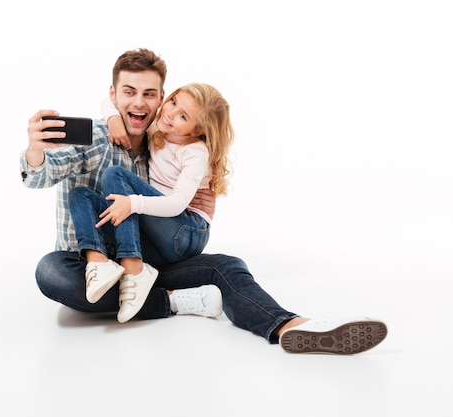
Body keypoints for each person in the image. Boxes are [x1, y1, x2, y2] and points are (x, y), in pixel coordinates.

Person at [20, 48, 388, 354]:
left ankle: (290, 326)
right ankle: (178, 302)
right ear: (114, 95)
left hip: (147, 260)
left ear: (161, 100)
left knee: (227, 265)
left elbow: (181, 159)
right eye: (128, 92)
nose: (140, 102)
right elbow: (41, 174)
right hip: (91, 265)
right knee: (50, 271)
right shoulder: (97, 136)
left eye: (150, 94)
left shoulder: (162, 133)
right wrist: (37, 149)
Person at [68, 83, 234, 323]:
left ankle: (133, 269)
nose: (170, 113)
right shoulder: (159, 126)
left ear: (198, 130)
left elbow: (177, 204)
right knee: (79, 195)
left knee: (115, 175)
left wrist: (132, 203)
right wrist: (114, 120)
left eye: (183, 116)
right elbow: (108, 101)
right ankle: (100, 262)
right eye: (174, 102)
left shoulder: (195, 152)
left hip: (187, 231)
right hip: (158, 236)